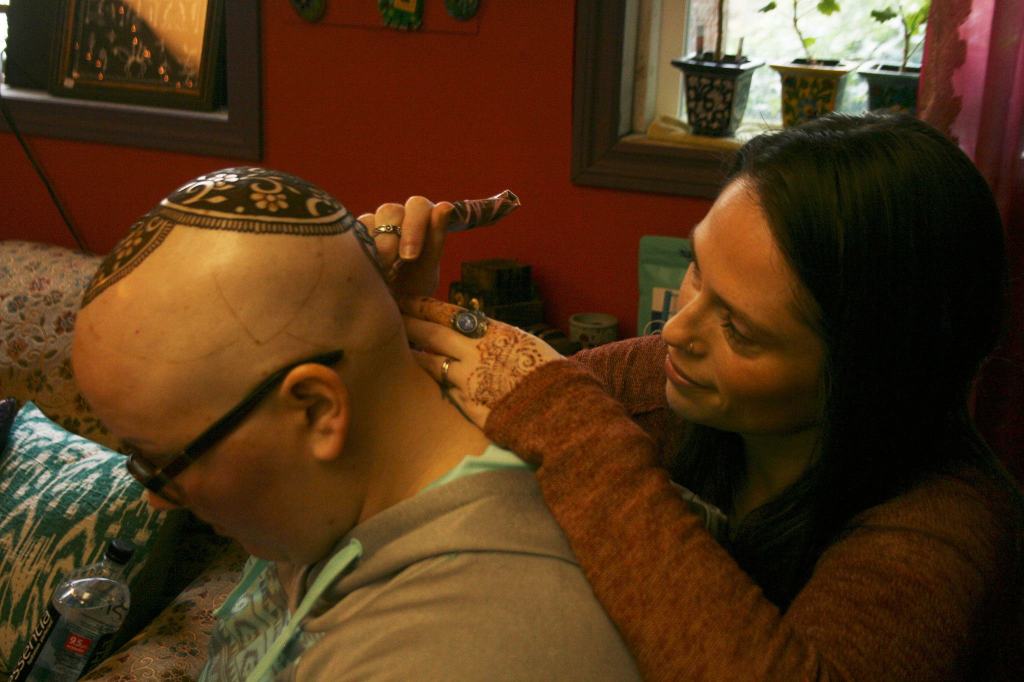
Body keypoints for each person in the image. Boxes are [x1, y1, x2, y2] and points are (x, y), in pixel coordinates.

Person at [378, 112, 1024, 680]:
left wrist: (574, 436)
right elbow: (439, 439)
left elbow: (563, 424)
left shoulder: (945, 531)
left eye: (740, 329)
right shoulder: (666, 382)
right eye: (697, 268)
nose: (677, 330)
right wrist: (393, 318)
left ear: (869, 374)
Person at [70, 167, 641, 681]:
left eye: (163, 463)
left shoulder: (452, 650)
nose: (157, 502)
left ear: (317, 410)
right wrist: (357, 307)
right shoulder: (334, 496)